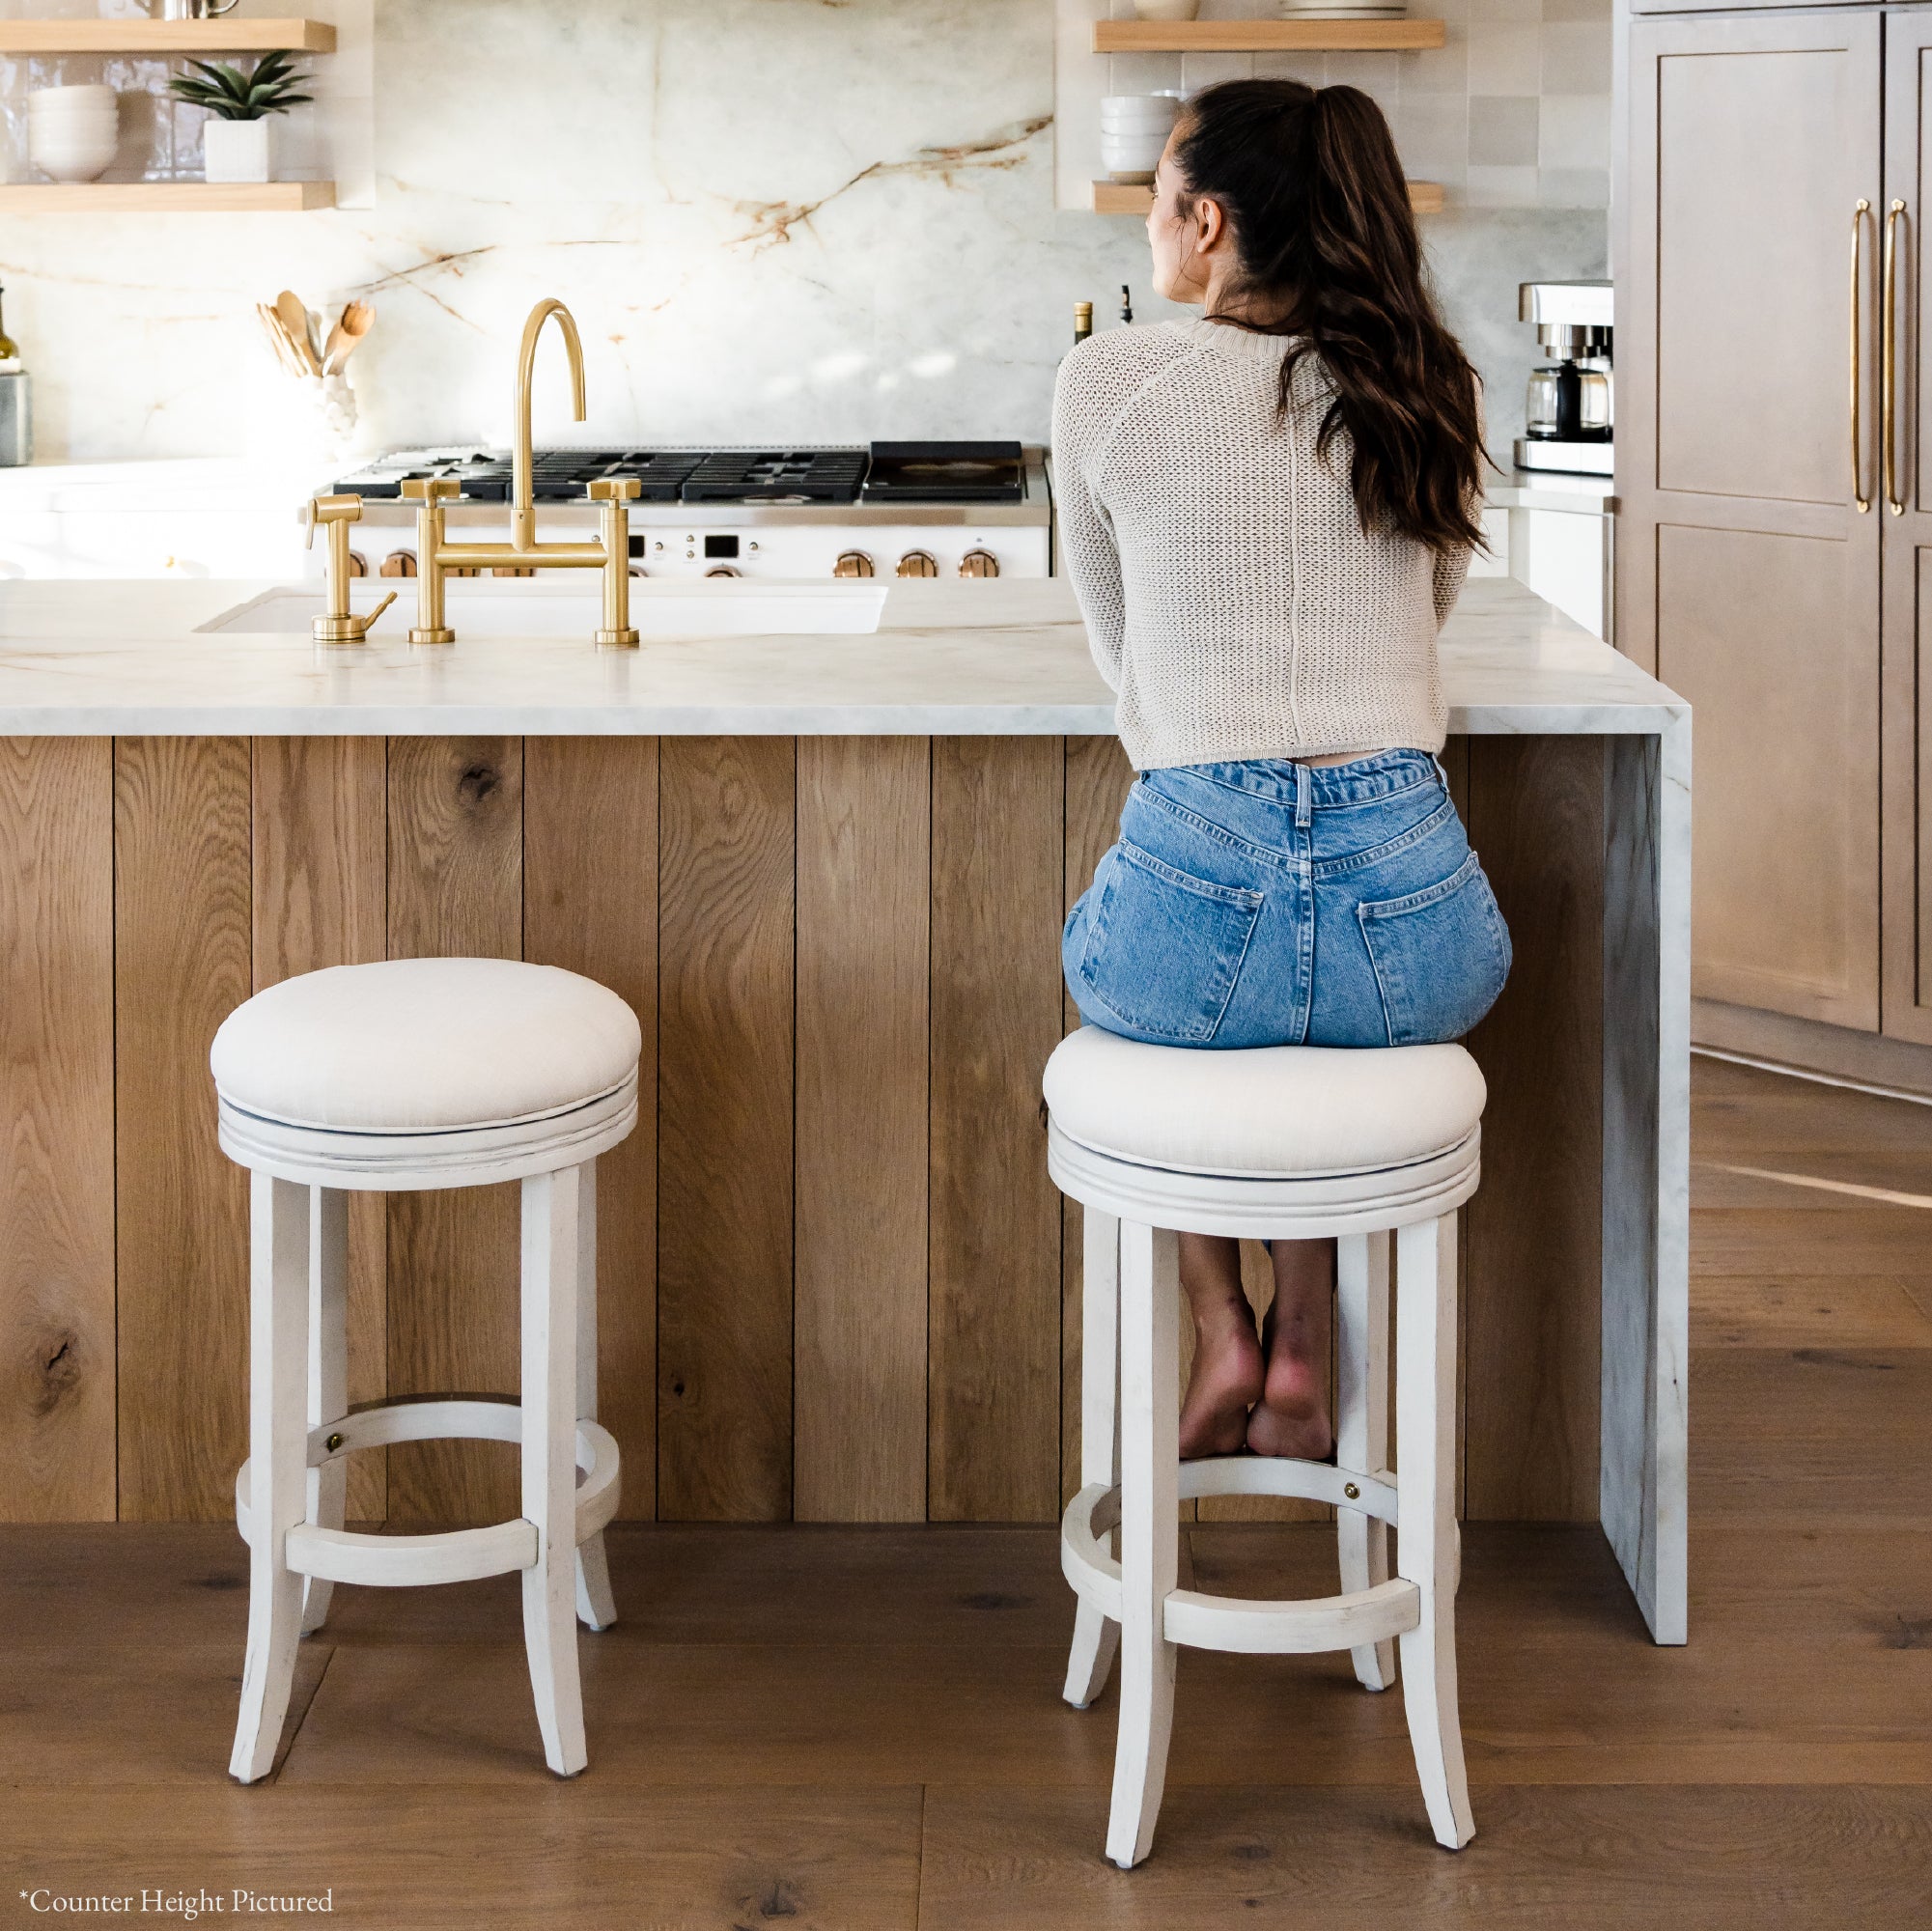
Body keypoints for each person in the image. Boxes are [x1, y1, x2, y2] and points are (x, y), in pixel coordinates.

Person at [1052, 79, 1509, 1462]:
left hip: (1192, 883)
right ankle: (1306, 1326)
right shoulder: (1423, 377)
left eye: (1154, 205)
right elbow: (1422, 619)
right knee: (1319, 1033)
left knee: (1163, 1008)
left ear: (1202, 221)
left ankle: (1219, 1317)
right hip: (1416, 928)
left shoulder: (1110, 379)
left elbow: (1118, 651)